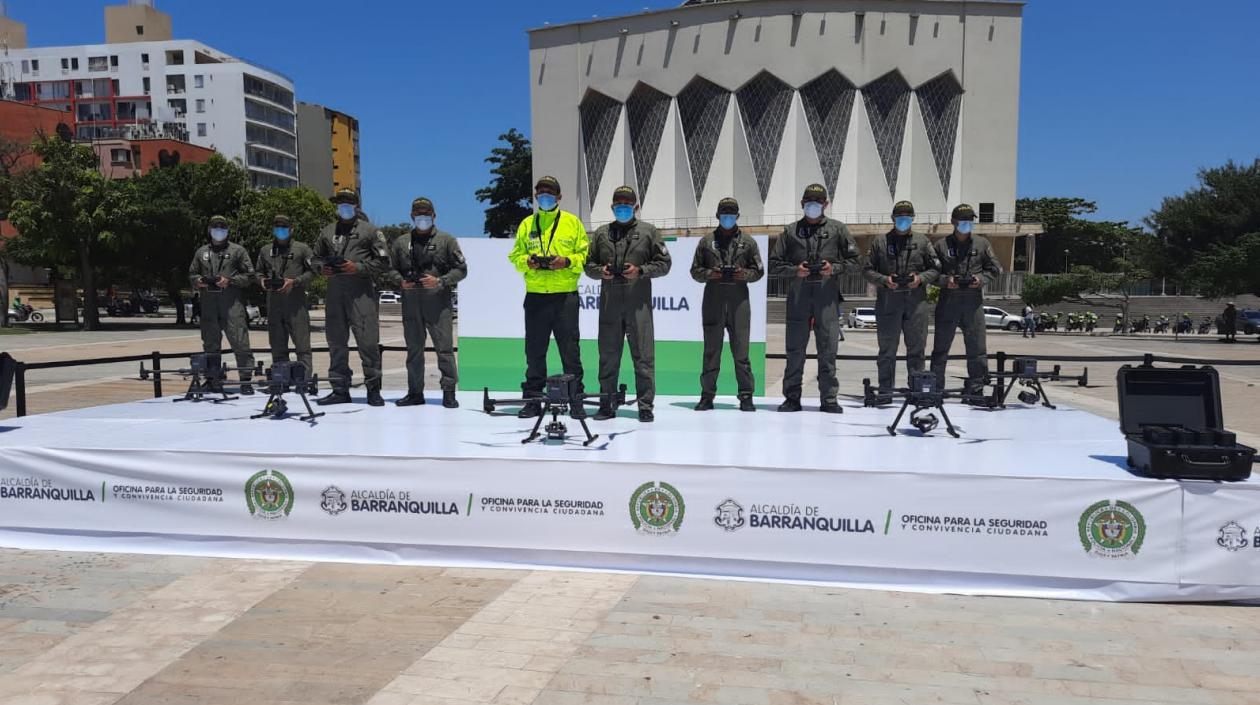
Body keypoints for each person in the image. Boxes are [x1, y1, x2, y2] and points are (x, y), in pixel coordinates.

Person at [583, 185, 671, 422]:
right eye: (618, 204)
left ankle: (645, 406)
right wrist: (601, 271)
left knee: (643, 356)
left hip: (637, 305)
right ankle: (606, 404)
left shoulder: (649, 232)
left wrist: (640, 270)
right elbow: (588, 265)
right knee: (608, 357)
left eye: (627, 204)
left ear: (636, 206)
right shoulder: (601, 233)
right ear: (612, 207)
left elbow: (664, 264)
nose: (622, 208)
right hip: (610, 305)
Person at [768, 183, 859, 413]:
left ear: (826, 204)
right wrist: (795, 270)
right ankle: (792, 398)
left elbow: (856, 262)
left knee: (828, 350)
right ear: (801, 204)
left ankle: (828, 399)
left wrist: (834, 267)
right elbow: (774, 264)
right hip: (799, 298)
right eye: (809, 202)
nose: (813, 206)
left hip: (826, 297)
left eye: (818, 202)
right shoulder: (790, 231)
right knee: (794, 350)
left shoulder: (838, 230)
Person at [507, 176, 589, 418]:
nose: (545, 197)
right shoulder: (526, 224)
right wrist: (528, 262)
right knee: (534, 352)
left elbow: (585, 256)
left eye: (550, 193)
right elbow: (515, 256)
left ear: (559, 197)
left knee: (570, 352)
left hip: (565, 297)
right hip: (536, 297)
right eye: (541, 193)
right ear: (535, 197)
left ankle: (576, 400)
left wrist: (567, 261)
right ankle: (533, 400)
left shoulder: (573, 223)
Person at [386, 197, 467, 408]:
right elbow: (390, 268)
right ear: (412, 216)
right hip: (411, 301)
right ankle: (415, 392)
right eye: (418, 215)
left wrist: (440, 281)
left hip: (438, 303)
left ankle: (449, 391)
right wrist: (400, 281)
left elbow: (461, 269)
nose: (422, 218)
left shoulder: (446, 240)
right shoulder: (401, 242)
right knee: (414, 350)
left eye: (426, 215)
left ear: (434, 216)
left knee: (444, 349)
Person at [314, 189, 390, 406]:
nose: (343, 207)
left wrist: (356, 267)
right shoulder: (328, 231)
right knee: (336, 343)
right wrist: (323, 268)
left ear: (356, 205)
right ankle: (339, 389)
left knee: (367, 343)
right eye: (340, 203)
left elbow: (384, 262)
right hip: (335, 293)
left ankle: (373, 389)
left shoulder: (370, 231)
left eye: (347, 203)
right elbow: (314, 258)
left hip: (361, 293)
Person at [690, 197, 764, 412]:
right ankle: (707, 396)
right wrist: (710, 273)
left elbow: (759, 271)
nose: (728, 218)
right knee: (711, 351)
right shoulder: (706, 242)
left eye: (731, 215)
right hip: (713, 300)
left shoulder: (748, 243)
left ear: (737, 216)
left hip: (738, 302)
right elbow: (695, 271)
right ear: (718, 216)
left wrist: (743, 274)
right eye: (724, 215)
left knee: (741, 352)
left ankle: (746, 395)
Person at [862, 201, 939, 396]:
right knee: (887, 350)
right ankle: (886, 391)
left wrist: (920, 279)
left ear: (913, 218)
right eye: (899, 217)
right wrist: (884, 280)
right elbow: (867, 269)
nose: (903, 220)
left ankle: (916, 391)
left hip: (916, 303)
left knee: (917, 349)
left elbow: (936, 268)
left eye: (907, 216)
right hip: (889, 302)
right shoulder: (880, 242)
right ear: (893, 219)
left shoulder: (923, 242)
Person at [929, 204, 1002, 396]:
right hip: (948, 302)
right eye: (963, 220)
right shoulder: (940, 245)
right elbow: (930, 273)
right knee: (940, 349)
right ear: (953, 222)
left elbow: (996, 269)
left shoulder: (982, 244)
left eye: (970, 220)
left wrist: (981, 280)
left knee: (977, 349)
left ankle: (975, 390)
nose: (967, 224)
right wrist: (946, 281)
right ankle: (936, 390)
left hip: (973, 303)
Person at [187, 215, 256, 394]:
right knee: (210, 343)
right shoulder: (201, 252)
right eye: (215, 227)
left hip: (231, 305)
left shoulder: (238, 251)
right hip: (209, 304)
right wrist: (199, 281)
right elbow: (192, 273)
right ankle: (212, 379)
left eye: (222, 228)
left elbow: (250, 276)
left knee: (240, 342)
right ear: (210, 230)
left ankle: (246, 380)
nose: (219, 231)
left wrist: (230, 281)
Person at [255, 214, 319, 380]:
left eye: (284, 227)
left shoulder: (302, 249)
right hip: (274, 305)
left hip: (295, 305)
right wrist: (261, 280)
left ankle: (303, 379)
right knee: (277, 346)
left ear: (291, 229)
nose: (280, 230)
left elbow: (314, 270)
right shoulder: (265, 250)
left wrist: (296, 281)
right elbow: (257, 272)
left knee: (302, 346)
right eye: (277, 227)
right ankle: (281, 378)